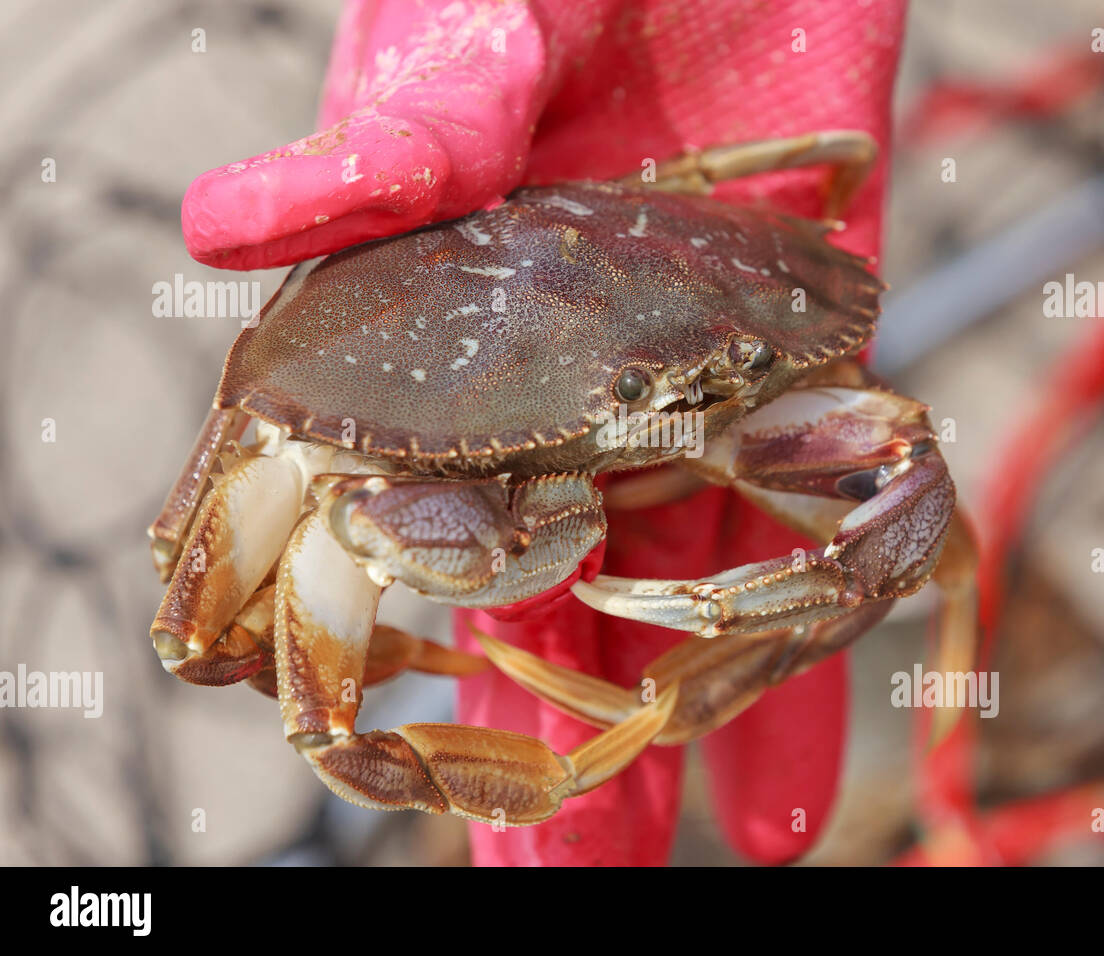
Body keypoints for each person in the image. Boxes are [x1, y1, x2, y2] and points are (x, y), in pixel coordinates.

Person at [184, 0, 907, 866]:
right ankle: (555, 778)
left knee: (899, 483)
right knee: (246, 649)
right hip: (432, 410)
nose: (656, 427)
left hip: (687, 243)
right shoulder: (327, 412)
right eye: (634, 399)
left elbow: (906, 481)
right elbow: (222, 647)